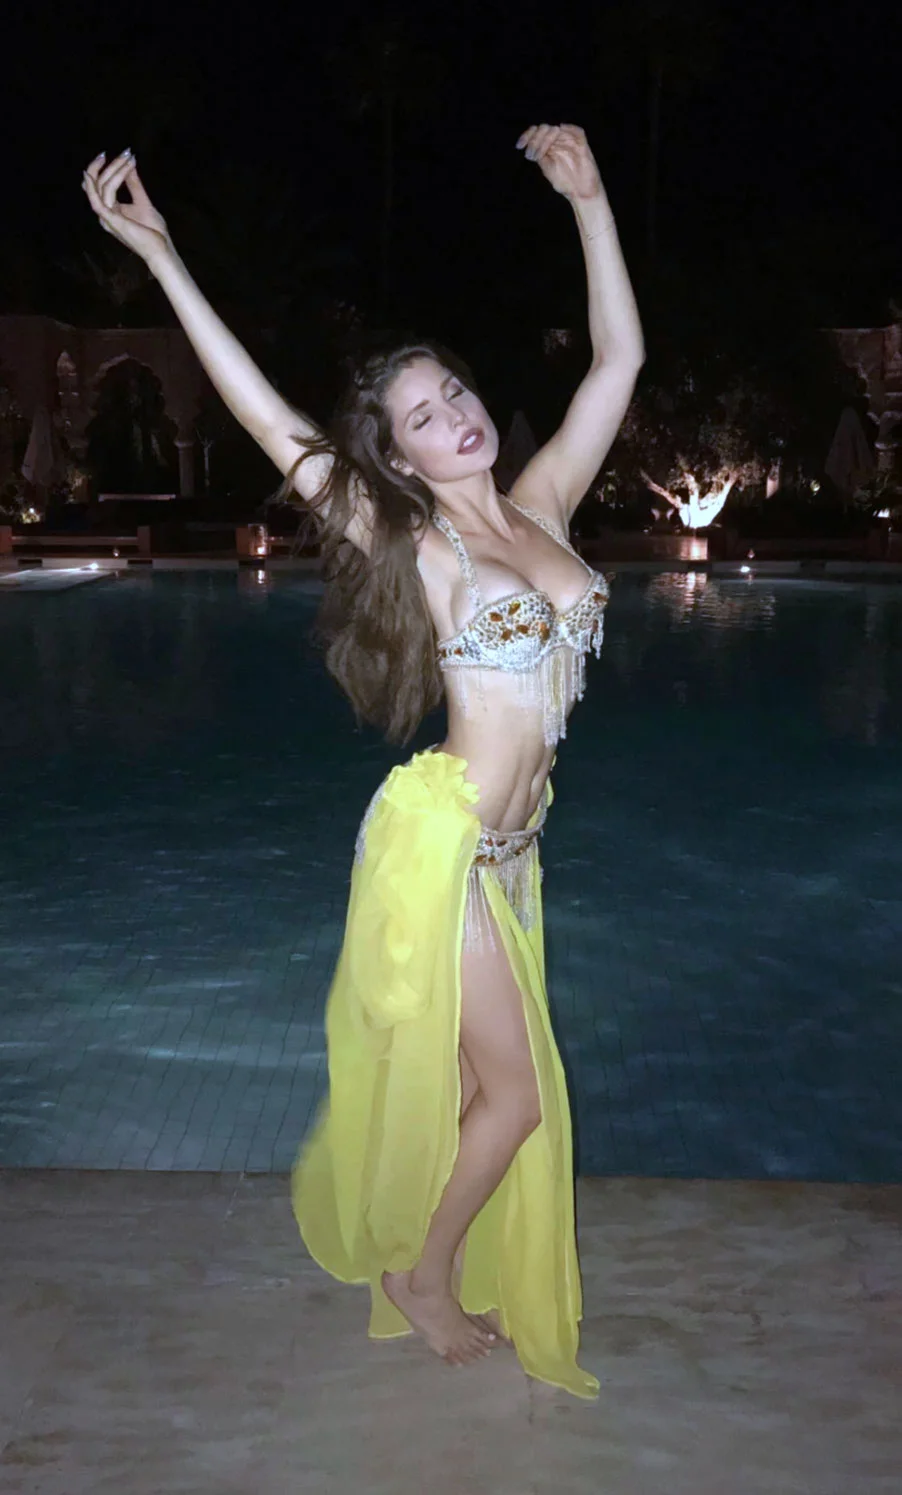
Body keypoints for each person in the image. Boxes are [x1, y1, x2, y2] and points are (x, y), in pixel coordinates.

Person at [83, 123, 644, 1399]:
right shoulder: (424, 546)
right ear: (397, 457)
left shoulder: (544, 505)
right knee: (516, 1097)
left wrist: (590, 202)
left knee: (481, 1087)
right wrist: (162, 257)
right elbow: (268, 421)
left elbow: (617, 359)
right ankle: (421, 1277)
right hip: (442, 844)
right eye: (421, 417)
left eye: (456, 394)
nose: (455, 419)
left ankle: (422, 1255)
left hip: (512, 851)